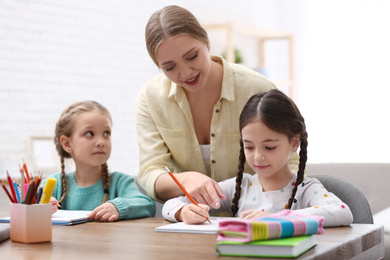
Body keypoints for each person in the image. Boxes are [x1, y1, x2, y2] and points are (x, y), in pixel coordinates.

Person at [136, 5, 299, 209]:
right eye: (169, 67)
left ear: (206, 42)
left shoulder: (257, 88)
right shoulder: (150, 98)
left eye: (192, 56)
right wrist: (186, 180)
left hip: (258, 222)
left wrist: (275, 212)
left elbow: (291, 163)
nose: (186, 72)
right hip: (189, 224)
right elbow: (151, 172)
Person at [162, 89, 354, 227]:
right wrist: (183, 212)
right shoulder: (240, 186)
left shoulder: (305, 189)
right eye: (249, 146)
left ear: (294, 144)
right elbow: (172, 204)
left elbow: (342, 211)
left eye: (269, 147)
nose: (258, 157)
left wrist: (276, 218)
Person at [42, 101, 155, 221]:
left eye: (106, 133)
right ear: (67, 143)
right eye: (89, 133)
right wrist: (39, 205)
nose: (101, 142)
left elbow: (147, 205)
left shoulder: (120, 182)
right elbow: (29, 203)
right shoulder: (54, 184)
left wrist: (118, 207)